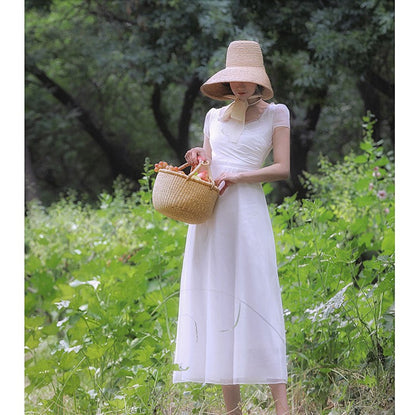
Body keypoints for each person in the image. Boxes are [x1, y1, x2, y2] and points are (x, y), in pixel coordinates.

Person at [173, 40, 291, 415]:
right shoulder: (213, 117)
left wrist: (240, 176)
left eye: (246, 79)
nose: (239, 86)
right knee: (219, 301)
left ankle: (283, 409)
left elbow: (283, 168)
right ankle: (232, 411)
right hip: (212, 216)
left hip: (247, 213)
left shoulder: (277, 114)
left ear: (259, 81)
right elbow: (209, 163)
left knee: (259, 298)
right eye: (234, 79)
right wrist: (198, 157)